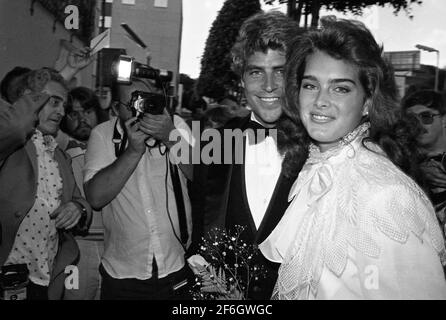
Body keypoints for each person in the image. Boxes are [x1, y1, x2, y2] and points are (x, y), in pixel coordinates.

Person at [259, 17, 446, 300]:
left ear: (368, 102)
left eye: (340, 88)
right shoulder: (314, 171)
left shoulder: (386, 195)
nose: (320, 100)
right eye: (311, 85)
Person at [193, 11, 301, 300]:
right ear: (241, 79)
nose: (268, 85)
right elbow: (200, 227)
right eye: (256, 72)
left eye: (280, 71)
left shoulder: (319, 147)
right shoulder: (215, 142)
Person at [83, 78, 193, 300]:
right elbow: (95, 197)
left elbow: (200, 177)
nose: (141, 109)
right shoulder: (103, 134)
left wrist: (170, 137)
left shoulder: (175, 125)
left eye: (146, 100)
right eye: (133, 103)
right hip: (123, 270)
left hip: (175, 263)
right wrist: (133, 151)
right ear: (115, 108)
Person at [0, 68, 92, 300]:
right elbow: (17, 126)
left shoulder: (60, 155)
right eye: (54, 102)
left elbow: (81, 201)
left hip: (45, 280)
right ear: (29, 99)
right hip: (7, 277)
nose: (61, 112)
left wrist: (77, 208)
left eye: (64, 105)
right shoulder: (11, 146)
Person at [59, 86, 109, 300]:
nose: (81, 119)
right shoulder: (59, 143)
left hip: (112, 246)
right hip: (77, 246)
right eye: (73, 113)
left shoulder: (113, 144)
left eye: (87, 111)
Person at [402, 90, 446, 238]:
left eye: (426, 117)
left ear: (444, 120)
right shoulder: (400, 159)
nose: (418, 124)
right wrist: (418, 172)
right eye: (411, 119)